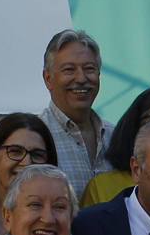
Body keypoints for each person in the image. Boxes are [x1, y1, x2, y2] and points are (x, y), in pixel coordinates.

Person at [39, 29, 113, 198]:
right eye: (69, 70)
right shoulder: (37, 138)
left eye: (89, 68)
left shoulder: (115, 136)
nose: (81, 78)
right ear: (48, 79)